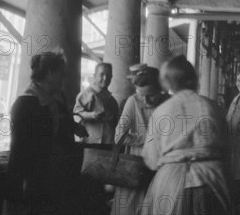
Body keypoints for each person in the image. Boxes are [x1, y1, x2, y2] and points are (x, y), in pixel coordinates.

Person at [141, 55, 231, 215]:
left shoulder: (162, 111)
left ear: (168, 82)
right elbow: (226, 149)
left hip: (171, 182)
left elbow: (151, 159)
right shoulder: (212, 108)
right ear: (194, 78)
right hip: (211, 179)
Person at [6, 51, 82, 215]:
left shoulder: (55, 98)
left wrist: (73, 127)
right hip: (33, 177)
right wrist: (22, 183)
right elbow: (19, 148)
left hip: (52, 172)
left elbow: (61, 125)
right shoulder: (25, 103)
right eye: (61, 73)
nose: (64, 77)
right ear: (50, 74)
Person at [110, 66, 168, 215]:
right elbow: (119, 136)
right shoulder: (133, 102)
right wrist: (149, 139)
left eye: (150, 95)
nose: (145, 100)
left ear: (161, 90)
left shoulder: (168, 103)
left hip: (161, 165)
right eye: (141, 95)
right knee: (131, 208)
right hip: (136, 164)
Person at [74, 62, 119, 144]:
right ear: (94, 75)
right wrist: (91, 115)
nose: (105, 78)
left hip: (109, 143)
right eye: (101, 75)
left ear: (111, 77)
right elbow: (76, 114)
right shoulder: (86, 94)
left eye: (108, 75)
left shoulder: (112, 100)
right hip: (91, 142)